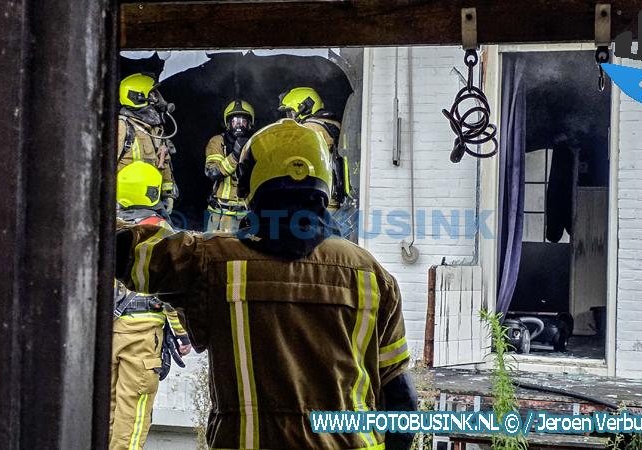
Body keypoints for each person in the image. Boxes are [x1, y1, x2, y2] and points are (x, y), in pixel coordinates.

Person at [115, 120, 418, 450]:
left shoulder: (210, 263)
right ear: (326, 183)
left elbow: (124, 252)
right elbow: (400, 398)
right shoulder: (371, 276)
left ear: (248, 186)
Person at [110, 161, 192, 450]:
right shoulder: (162, 233)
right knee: (133, 415)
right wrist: (182, 334)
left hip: (106, 332)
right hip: (142, 334)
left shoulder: (105, 226)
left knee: (105, 412)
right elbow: (171, 291)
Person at [278, 87, 351, 212]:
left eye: (291, 113)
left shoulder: (310, 128)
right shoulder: (332, 124)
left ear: (304, 108)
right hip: (328, 201)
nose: (290, 118)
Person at [118, 73, 179, 215]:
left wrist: (168, 194)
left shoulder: (156, 130)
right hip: (125, 204)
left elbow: (164, 165)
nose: (157, 99)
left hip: (152, 203)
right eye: (152, 94)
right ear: (137, 97)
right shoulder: (122, 127)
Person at [204, 99, 255, 232]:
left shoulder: (256, 143)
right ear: (228, 123)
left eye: (243, 121)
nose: (239, 125)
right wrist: (235, 156)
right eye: (235, 121)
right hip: (220, 214)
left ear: (250, 123)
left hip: (248, 214)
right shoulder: (218, 142)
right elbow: (212, 173)